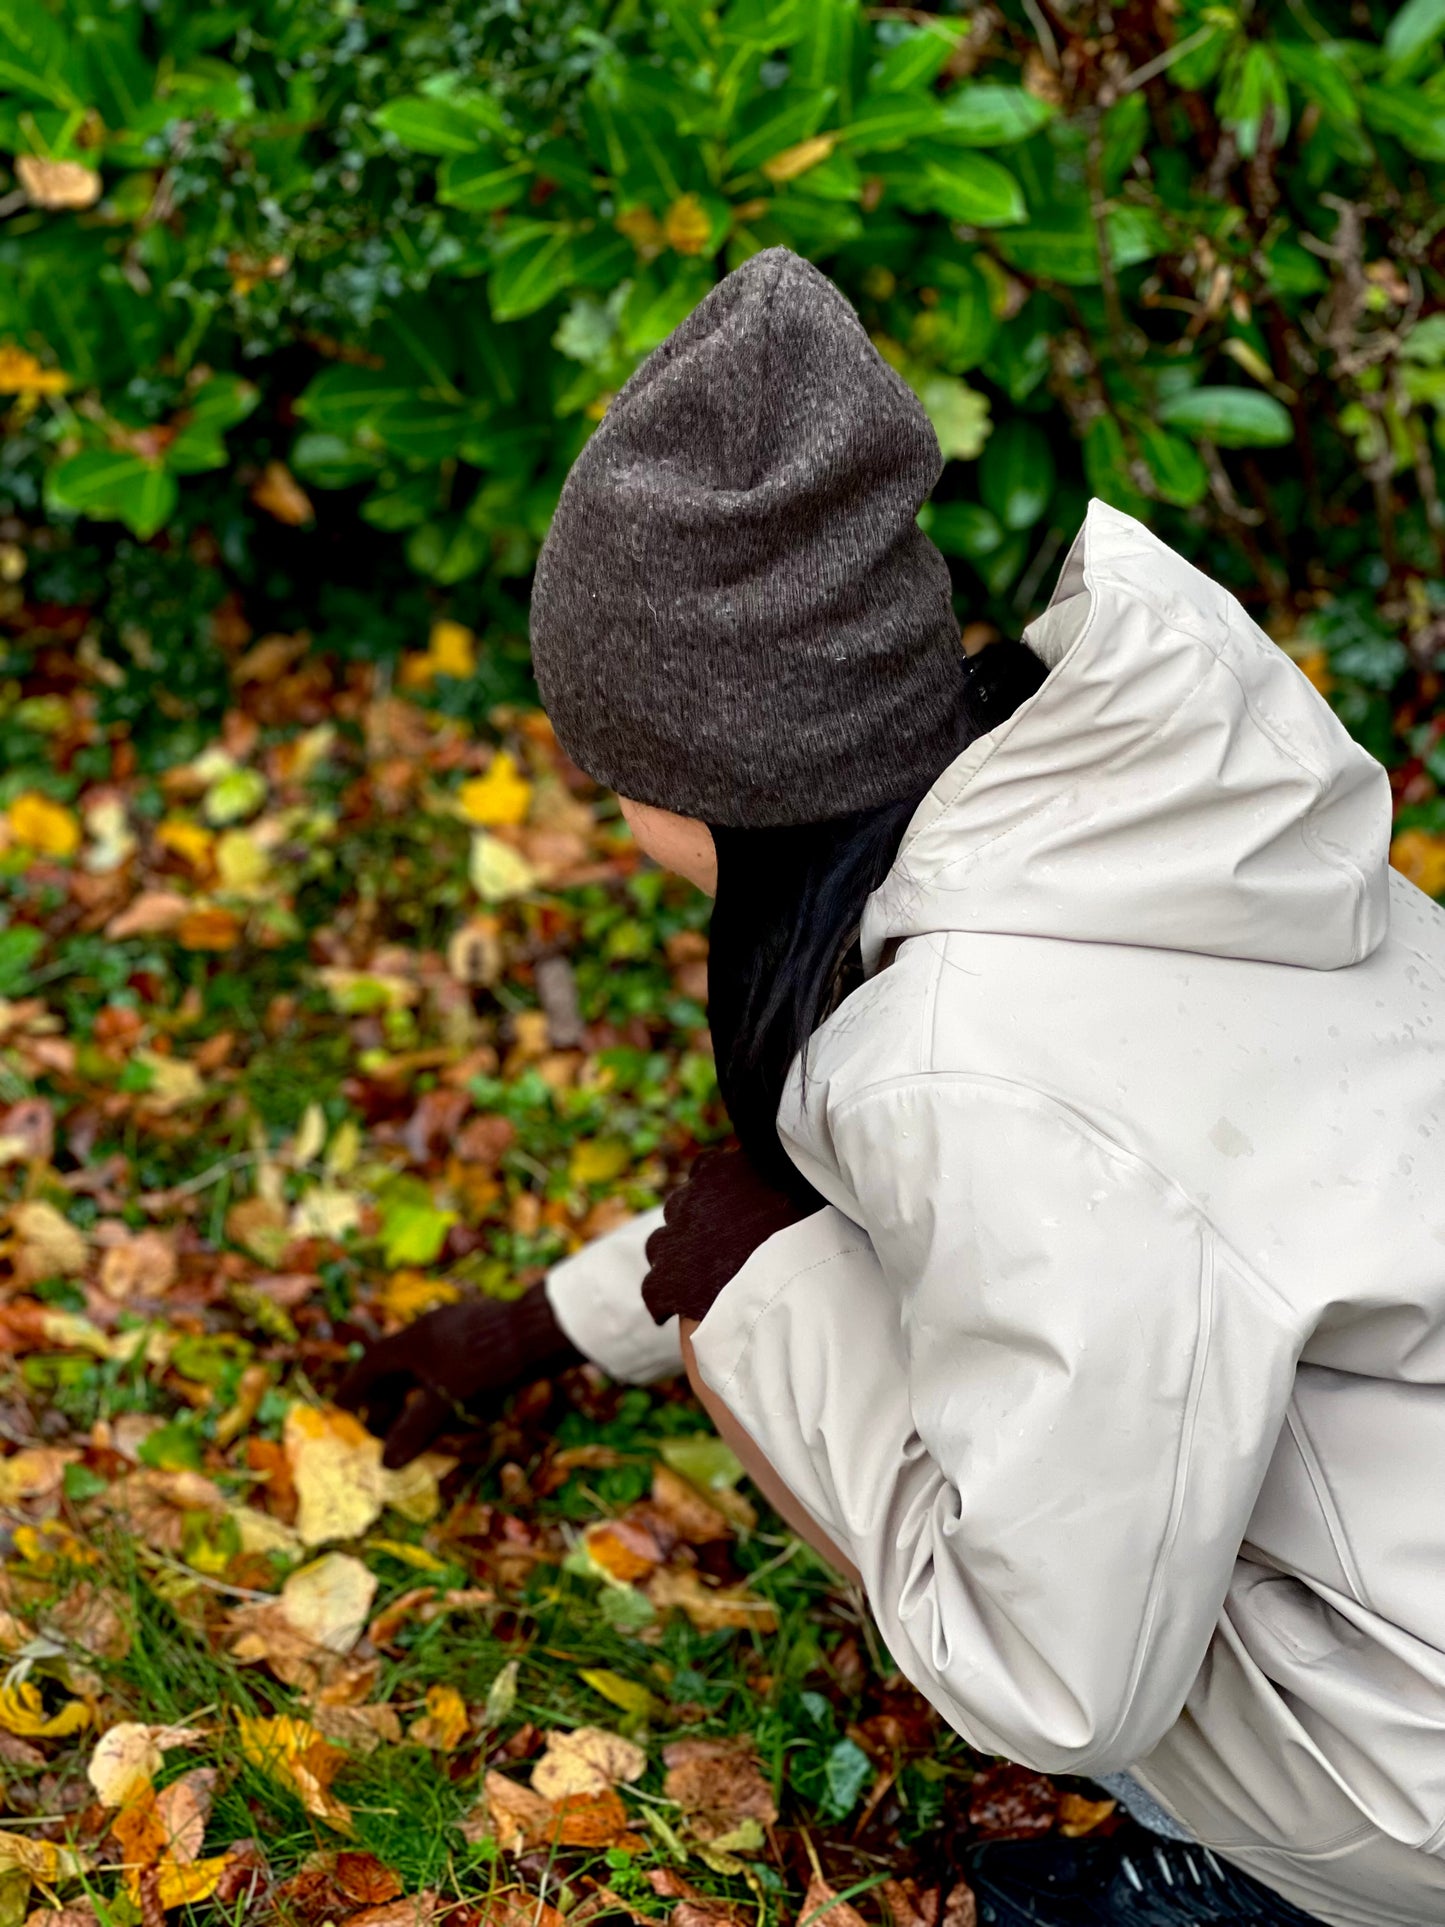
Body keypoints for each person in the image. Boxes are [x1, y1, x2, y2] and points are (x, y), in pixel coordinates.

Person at [339, 248, 1445, 1927]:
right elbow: (999, 1200)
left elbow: (1056, 1680)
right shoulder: (1133, 830)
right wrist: (549, 1326)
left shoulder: (966, 1063)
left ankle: (1266, 1888)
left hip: (1421, 1767)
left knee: (788, 1345)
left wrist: (748, 1305)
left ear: (696, 768)